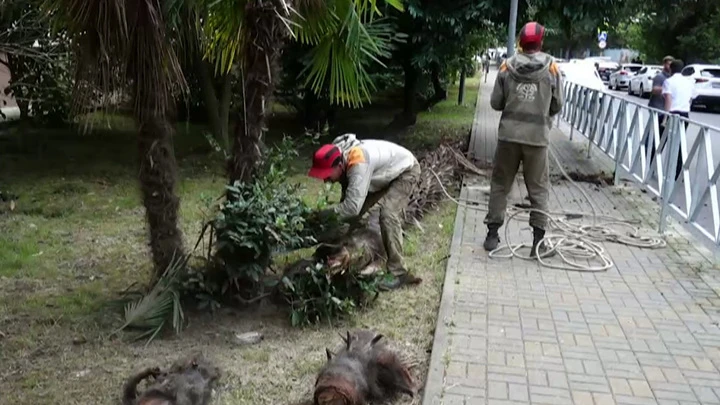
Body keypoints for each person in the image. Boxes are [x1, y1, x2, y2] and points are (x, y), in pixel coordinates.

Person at [482, 21, 564, 257]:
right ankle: (538, 244)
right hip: (537, 139)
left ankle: (492, 236)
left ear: (520, 41)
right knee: (538, 190)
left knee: (500, 185)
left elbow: (496, 103)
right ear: (541, 42)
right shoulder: (552, 68)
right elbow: (557, 105)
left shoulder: (507, 66)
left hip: (508, 137)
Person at [307, 134, 423, 290]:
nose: (325, 180)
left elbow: (351, 208)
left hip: (405, 171)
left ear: (339, 166)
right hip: (380, 174)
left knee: (388, 215)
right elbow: (348, 211)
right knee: (348, 217)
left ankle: (399, 273)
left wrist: (322, 215)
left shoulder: (358, 163)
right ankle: (336, 249)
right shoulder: (338, 155)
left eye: (327, 175)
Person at [662, 59, 696, 180]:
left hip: (673, 113)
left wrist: (665, 117)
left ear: (671, 69)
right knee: (679, 142)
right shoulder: (688, 82)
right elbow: (691, 99)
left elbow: (668, 100)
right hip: (684, 114)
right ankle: (677, 171)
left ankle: (665, 170)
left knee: (665, 141)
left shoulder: (669, 82)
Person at [647, 55, 674, 170]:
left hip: (665, 110)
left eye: (671, 64)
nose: (669, 66)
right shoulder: (660, 76)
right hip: (657, 109)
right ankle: (648, 156)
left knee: (657, 135)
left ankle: (648, 155)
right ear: (664, 64)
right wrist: (666, 89)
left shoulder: (672, 77)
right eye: (668, 63)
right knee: (655, 134)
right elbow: (653, 89)